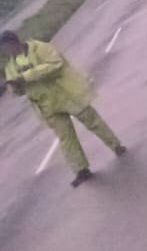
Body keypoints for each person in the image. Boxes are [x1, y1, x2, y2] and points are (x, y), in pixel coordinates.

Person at [1, 30, 126, 187]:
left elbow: (56, 63)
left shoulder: (40, 48)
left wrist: (26, 76)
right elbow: (20, 92)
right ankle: (81, 170)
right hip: (46, 105)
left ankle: (116, 146)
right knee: (66, 138)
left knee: (93, 122)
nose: (7, 51)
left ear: (14, 41)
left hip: (66, 94)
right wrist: (15, 86)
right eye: (3, 49)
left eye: (7, 46)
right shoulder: (10, 67)